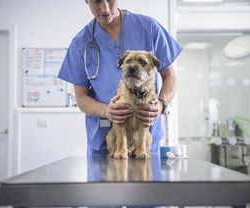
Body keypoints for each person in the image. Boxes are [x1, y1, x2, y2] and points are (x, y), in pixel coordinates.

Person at [58, 0, 182, 157]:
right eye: (96, 1)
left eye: (110, 0)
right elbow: (81, 98)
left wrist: (161, 104)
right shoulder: (80, 42)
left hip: (144, 142)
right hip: (104, 143)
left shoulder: (149, 27)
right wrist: (106, 111)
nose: (105, 8)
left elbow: (170, 75)